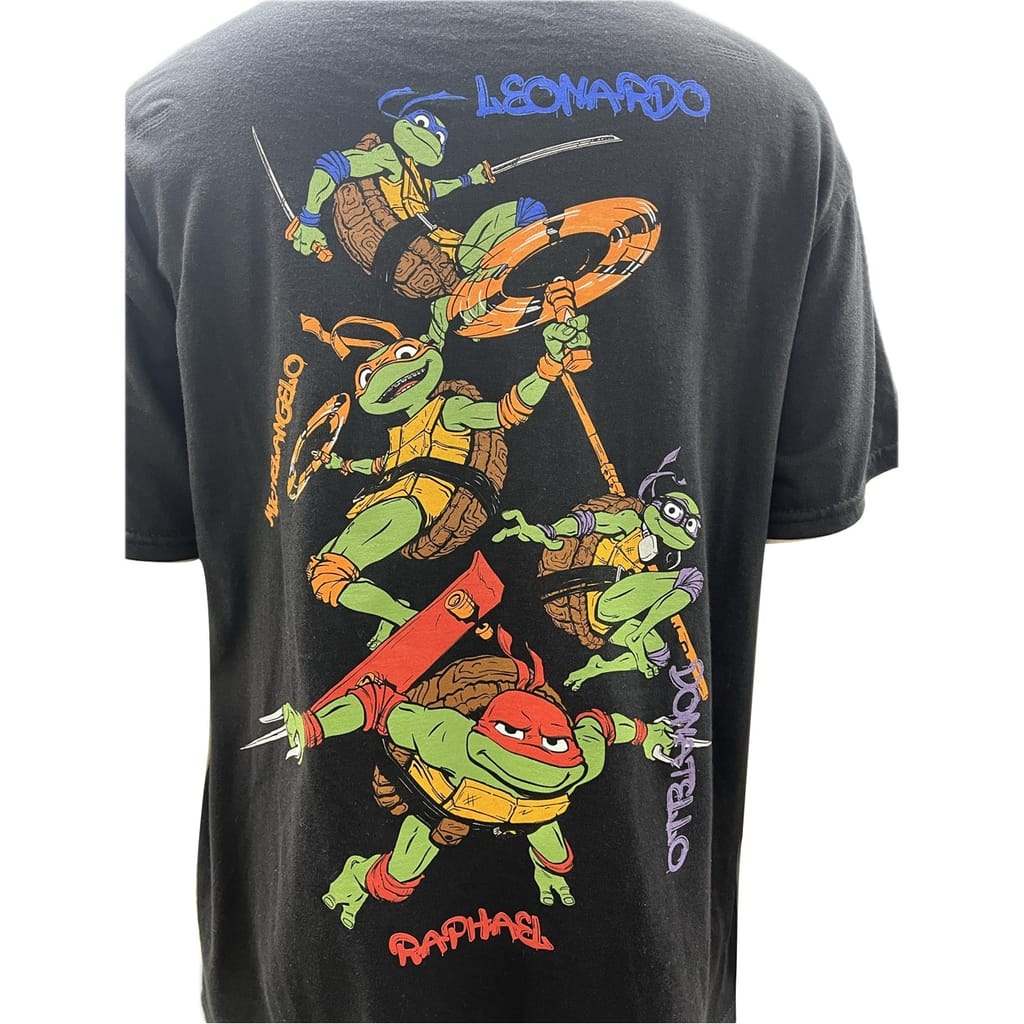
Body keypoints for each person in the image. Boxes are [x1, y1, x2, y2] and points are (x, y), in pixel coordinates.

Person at [125, 3, 898, 1021]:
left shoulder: (177, 117)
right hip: (597, 961)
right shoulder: (771, 116)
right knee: (415, 801)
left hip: (372, 960)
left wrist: (544, 361)